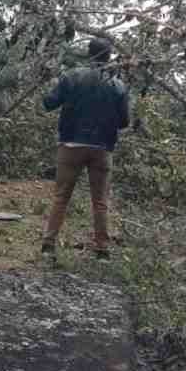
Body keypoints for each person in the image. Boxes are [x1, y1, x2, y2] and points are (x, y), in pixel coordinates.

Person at [39, 37, 131, 260]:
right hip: (102, 149)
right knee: (100, 202)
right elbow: (124, 122)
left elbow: (49, 103)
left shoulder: (72, 76)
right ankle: (102, 251)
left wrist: (46, 83)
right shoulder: (118, 85)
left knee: (61, 197)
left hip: (71, 145)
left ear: (88, 54)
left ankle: (48, 246)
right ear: (109, 56)